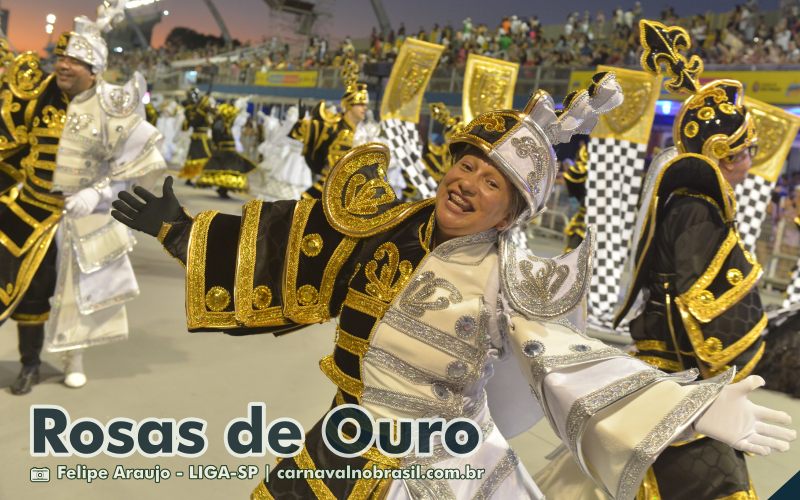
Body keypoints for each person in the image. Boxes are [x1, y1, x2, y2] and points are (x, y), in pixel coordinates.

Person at [111, 73, 794, 499]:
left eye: (491, 180)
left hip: (434, 466)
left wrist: (690, 410)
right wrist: (182, 232)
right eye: (466, 165)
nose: (468, 182)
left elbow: (575, 369)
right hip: (338, 437)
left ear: (512, 210)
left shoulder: (512, 280)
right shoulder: (383, 225)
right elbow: (296, 255)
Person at [613, 20, 769, 498]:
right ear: (723, 154)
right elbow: (705, 312)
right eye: (746, 151)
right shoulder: (696, 208)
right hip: (679, 379)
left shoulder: (690, 204)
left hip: (677, 375)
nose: (752, 160)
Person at [1, 0, 165, 394]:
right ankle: (29, 363)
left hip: (87, 216)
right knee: (31, 293)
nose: (62, 65)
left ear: (93, 71)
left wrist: (96, 194)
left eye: (73, 61)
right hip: (35, 211)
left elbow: (131, 168)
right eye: (61, 58)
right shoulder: (38, 98)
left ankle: (73, 358)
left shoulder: (112, 107)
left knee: (79, 295)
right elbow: (13, 149)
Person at [288, 59, 368, 199]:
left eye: (365, 104)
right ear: (349, 105)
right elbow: (303, 132)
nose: (364, 108)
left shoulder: (360, 132)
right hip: (329, 189)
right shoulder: (334, 125)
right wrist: (301, 123)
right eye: (360, 104)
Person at [195, 101, 257, 199]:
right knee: (226, 168)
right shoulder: (221, 123)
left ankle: (223, 189)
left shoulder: (225, 123)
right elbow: (217, 135)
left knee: (226, 168)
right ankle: (222, 189)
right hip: (225, 149)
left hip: (228, 148)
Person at [177, 88, 214, 185]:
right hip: (199, 137)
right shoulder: (195, 110)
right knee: (198, 157)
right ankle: (192, 178)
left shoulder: (198, 108)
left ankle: (198, 178)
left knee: (201, 157)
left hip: (202, 136)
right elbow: (189, 124)